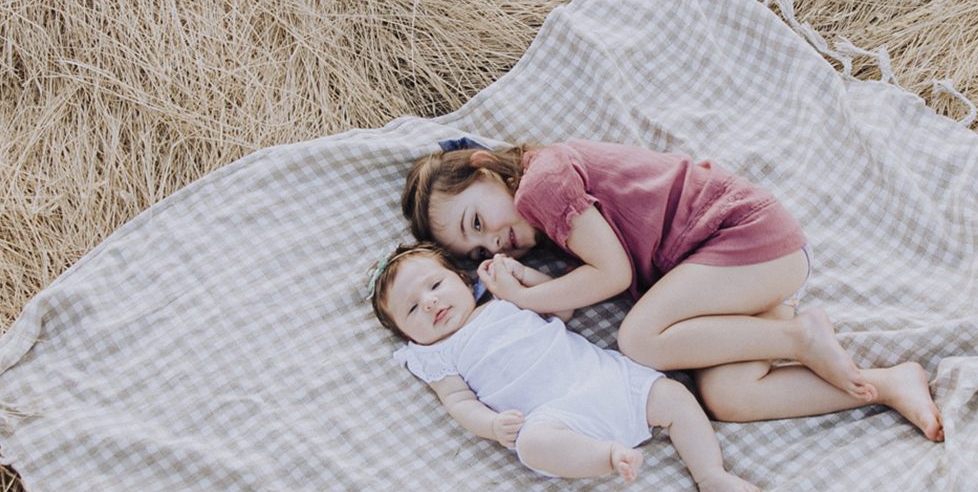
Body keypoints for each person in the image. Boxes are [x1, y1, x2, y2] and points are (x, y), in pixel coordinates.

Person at [400, 138, 943, 442]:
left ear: (484, 168)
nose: (493, 242)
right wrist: (531, 285)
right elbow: (585, 285)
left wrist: (524, 298)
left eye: (478, 221)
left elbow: (611, 276)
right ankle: (889, 384)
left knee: (639, 339)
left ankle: (800, 338)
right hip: (735, 280)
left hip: (743, 236)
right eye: (478, 251)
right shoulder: (549, 230)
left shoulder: (542, 182)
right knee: (729, 398)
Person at [370, 242, 760, 492]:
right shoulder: (436, 355)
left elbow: (562, 308)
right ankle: (606, 456)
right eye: (412, 309)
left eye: (435, 285)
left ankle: (710, 473)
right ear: (407, 334)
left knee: (673, 396)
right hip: (555, 415)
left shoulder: (504, 300)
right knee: (531, 445)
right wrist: (491, 426)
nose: (430, 302)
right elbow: (458, 402)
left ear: (462, 279)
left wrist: (523, 277)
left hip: (602, 377)